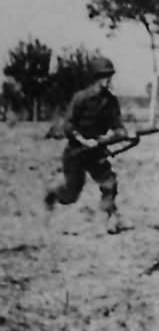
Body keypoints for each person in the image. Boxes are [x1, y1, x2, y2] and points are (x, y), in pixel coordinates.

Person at [44, 57, 135, 234]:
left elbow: (117, 126)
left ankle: (107, 220)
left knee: (109, 182)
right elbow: (68, 125)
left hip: (96, 153)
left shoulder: (111, 101)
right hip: (76, 152)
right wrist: (85, 140)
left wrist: (125, 133)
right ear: (95, 78)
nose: (108, 80)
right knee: (71, 194)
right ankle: (52, 193)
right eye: (103, 76)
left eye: (110, 76)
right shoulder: (80, 98)